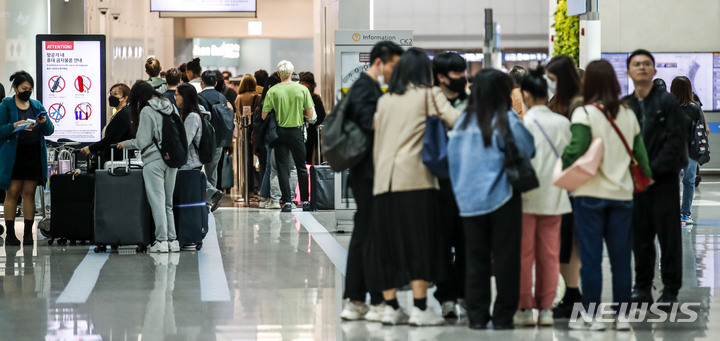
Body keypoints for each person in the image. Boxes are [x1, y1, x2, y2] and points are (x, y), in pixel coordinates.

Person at [365, 48, 459, 327]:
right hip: (416, 181)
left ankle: (391, 307)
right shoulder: (429, 95)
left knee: (389, 245)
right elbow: (456, 120)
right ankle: (419, 308)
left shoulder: (386, 101)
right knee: (419, 243)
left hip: (384, 182)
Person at [562, 59, 651, 330]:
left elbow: (574, 151)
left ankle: (592, 315)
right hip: (622, 196)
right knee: (621, 258)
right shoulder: (628, 113)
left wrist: (564, 164)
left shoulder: (584, 114)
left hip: (589, 194)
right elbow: (642, 159)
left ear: (587, 84)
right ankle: (623, 317)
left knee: (591, 257)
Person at [447, 69, 534, 330]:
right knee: (507, 259)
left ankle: (477, 315)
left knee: (475, 259)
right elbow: (528, 148)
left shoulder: (462, 122)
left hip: (468, 201)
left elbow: (451, 160)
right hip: (502, 198)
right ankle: (503, 316)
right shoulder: (506, 118)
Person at [338, 41, 403, 322]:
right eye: (393, 66)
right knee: (369, 236)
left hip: (365, 172)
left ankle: (360, 300)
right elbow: (371, 124)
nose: (395, 72)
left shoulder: (366, 88)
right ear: (380, 62)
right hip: (367, 174)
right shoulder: (366, 89)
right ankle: (369, 300)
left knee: (366, 235)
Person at [624, 49, 688, 305]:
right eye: (636, 64)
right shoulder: (626, 106)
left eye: (646, 64)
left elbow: (675, 143)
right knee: (640, 238)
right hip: (636, 184)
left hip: (663, 182)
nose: (641, 67)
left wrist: (652, 171)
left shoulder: (668, 104)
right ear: (629, 71)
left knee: (669, 237)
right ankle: (642, 286)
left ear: (654, 70)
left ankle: (670, 289)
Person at [514, 67, 572, 327]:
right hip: (555, 198)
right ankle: (546, 309)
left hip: (524, 199)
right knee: (550, 255)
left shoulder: (520, 124)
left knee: (524, 255)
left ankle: (525, 308)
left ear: (525, 94)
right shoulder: (563, 123)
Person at [118, 82, 180, 253]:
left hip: (154, 161)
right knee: (168, 202)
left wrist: (126, 144)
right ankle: (172, 240)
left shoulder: (147, 110)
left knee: (157, 202)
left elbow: (142, 141)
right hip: (172, 158)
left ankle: (161, 241)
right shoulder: (170, 106)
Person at [546, 55, 585, 319]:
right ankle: (571, 293)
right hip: (562, 183)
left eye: (551, 78)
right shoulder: (560, 101)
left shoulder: (578, 104)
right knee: (565, 242)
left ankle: (574, 293)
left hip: (573, 183)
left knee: (572, 242)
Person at [431, 51, 468, 319]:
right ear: (442, 77)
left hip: (468, 182)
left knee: (467, 242)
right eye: (457, 73)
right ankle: (445, 296)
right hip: (436, 182)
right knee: (440, 242)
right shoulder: (429, 101)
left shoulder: (473, 102)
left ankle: (465, 293)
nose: (462, 78)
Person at [0, 71, 54, 245]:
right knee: (13, 193)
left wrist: (44, 122)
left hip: (33, 155)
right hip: (14, 155)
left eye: (30, 89)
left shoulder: (36, 105)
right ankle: (10, 233)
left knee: (29, 193)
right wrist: (13, 126)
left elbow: (50, 130)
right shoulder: (6, 105)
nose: (27, 91)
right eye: (24, 88)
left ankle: (28, 233)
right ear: (15, 88)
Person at [261, 60, 314, 212]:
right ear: (292, 73)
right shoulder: (302, 89)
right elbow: (310, 114)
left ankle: (287, 202)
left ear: (278, 74)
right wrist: (298, 111)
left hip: (279, 133)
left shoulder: (273, 91)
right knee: (300, 167)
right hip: (296, 132)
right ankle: (305, 200)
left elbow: (264, 116)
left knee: (282, 168)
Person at [197, 70, 233, 212]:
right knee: (212, 171)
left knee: (195, 169)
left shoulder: (199, 97)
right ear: (216, 83)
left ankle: (211, 194)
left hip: (203, 140)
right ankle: (210, 200)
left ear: (202, 82)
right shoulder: (222, 97)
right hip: (219, 140)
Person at [672, 76, 704, 225]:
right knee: (689, 181)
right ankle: (685, 214)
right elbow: (701, 129)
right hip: (692, 150)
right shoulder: (695, 107)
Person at [80, 83, 133, 165]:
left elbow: (111, 139)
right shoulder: (120, 113)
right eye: (110, 94)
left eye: (115, 94)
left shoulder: (124, 114)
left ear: (125, 98)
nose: (111, 97)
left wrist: (91, 148)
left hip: (117, 160)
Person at [298, 72, 326, 164]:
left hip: (295, 131)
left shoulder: (296, 95)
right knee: (308, 158)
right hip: (310, 133)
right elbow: (321, 116)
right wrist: (312, 123)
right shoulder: (315, 98)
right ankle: (306, 175)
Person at [175, 83, 204, 171]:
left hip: (191, 163)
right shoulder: (187, 114)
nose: (175, 98)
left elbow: (185, 140)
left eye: (177, 95)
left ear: (184, 96)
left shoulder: (192, 117)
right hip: (190, 162)